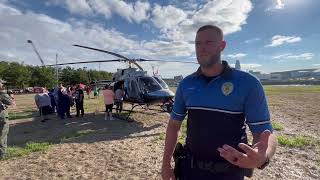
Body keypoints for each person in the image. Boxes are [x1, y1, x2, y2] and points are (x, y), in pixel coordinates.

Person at [161, 25, 277, 180]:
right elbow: (174, 125)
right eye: (198, 43)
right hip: (190, 170)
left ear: (222, 46)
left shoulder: (248, 83)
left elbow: (265, 133)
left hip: (230, 173)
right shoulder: (186, 84)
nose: (202, 48)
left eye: (208, 42)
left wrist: (263, 156)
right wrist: (166, 164)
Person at [0, 79, 13, 158]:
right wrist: (8, 94)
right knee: (2, 135)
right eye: (1, 83)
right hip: (1, 117)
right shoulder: (1, 93)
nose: (2, 85)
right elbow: (10, 102)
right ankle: (2, 154)